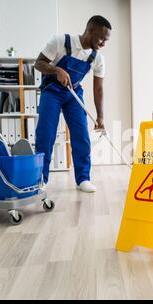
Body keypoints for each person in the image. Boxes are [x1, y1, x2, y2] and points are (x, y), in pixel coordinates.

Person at [34, 15, 111, 193]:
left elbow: (98, 89)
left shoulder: (97, 58)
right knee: (46, 135)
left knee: (81, 136)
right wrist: (56, 69)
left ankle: (83, 179)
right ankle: (40, 179)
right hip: (51, 91)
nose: (103, 44)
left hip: (74, 93)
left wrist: (100, 117)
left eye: (106, 40)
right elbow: (38, 63)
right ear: (90, 30)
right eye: (101, 38)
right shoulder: (60, 41)